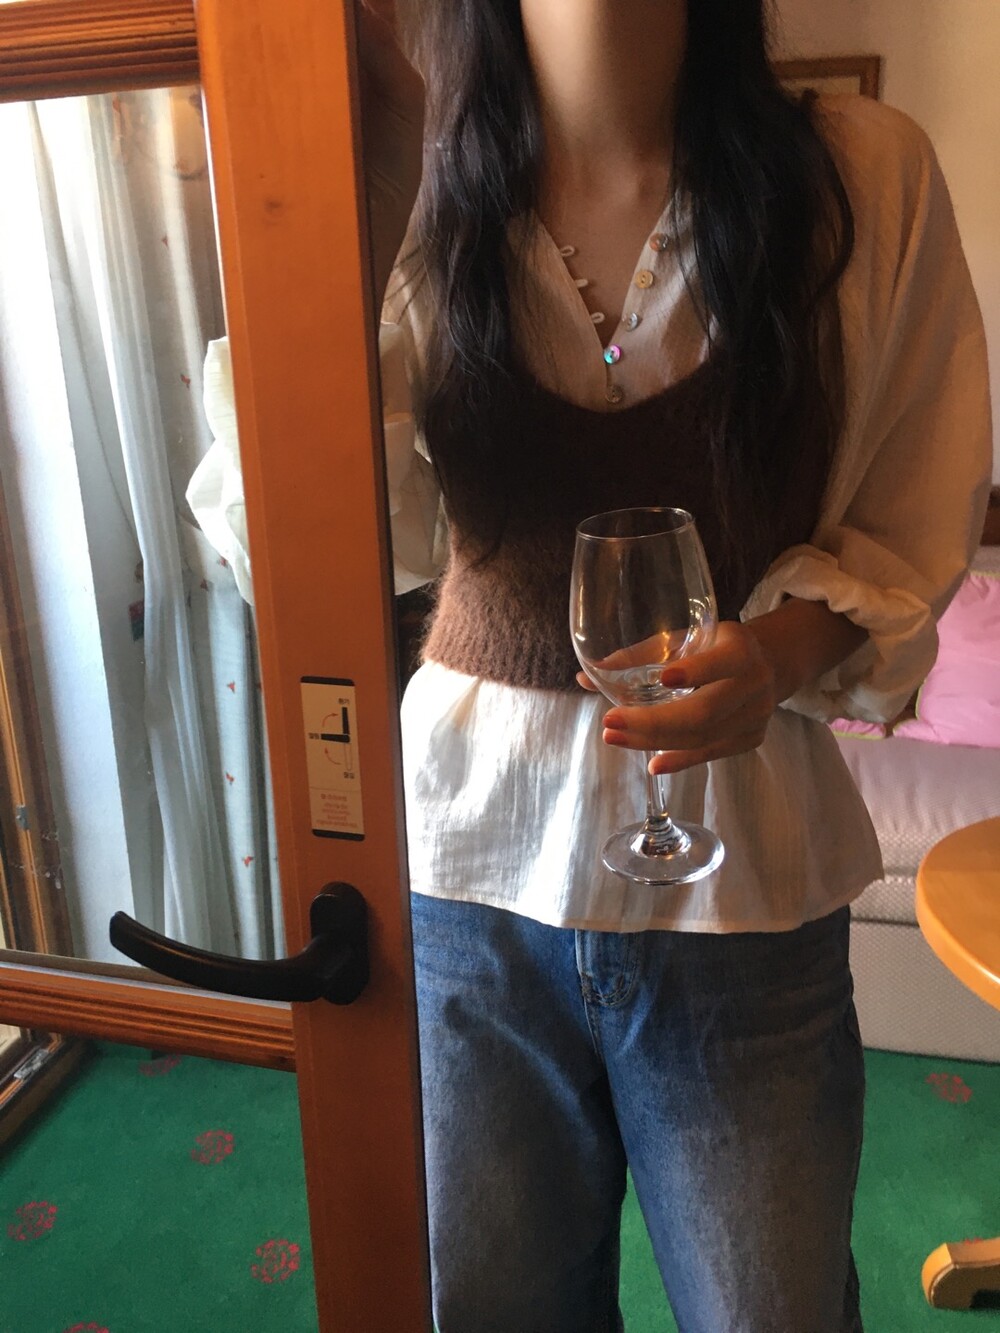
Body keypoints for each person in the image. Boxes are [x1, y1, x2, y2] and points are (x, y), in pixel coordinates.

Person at [193, 1, 992, 1328]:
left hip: (742, 884)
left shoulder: (858, 177)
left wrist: (775, 654)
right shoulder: (417, 183)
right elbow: (288, 540)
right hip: (467, 878)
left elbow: (914, 510)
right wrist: (368, 196)